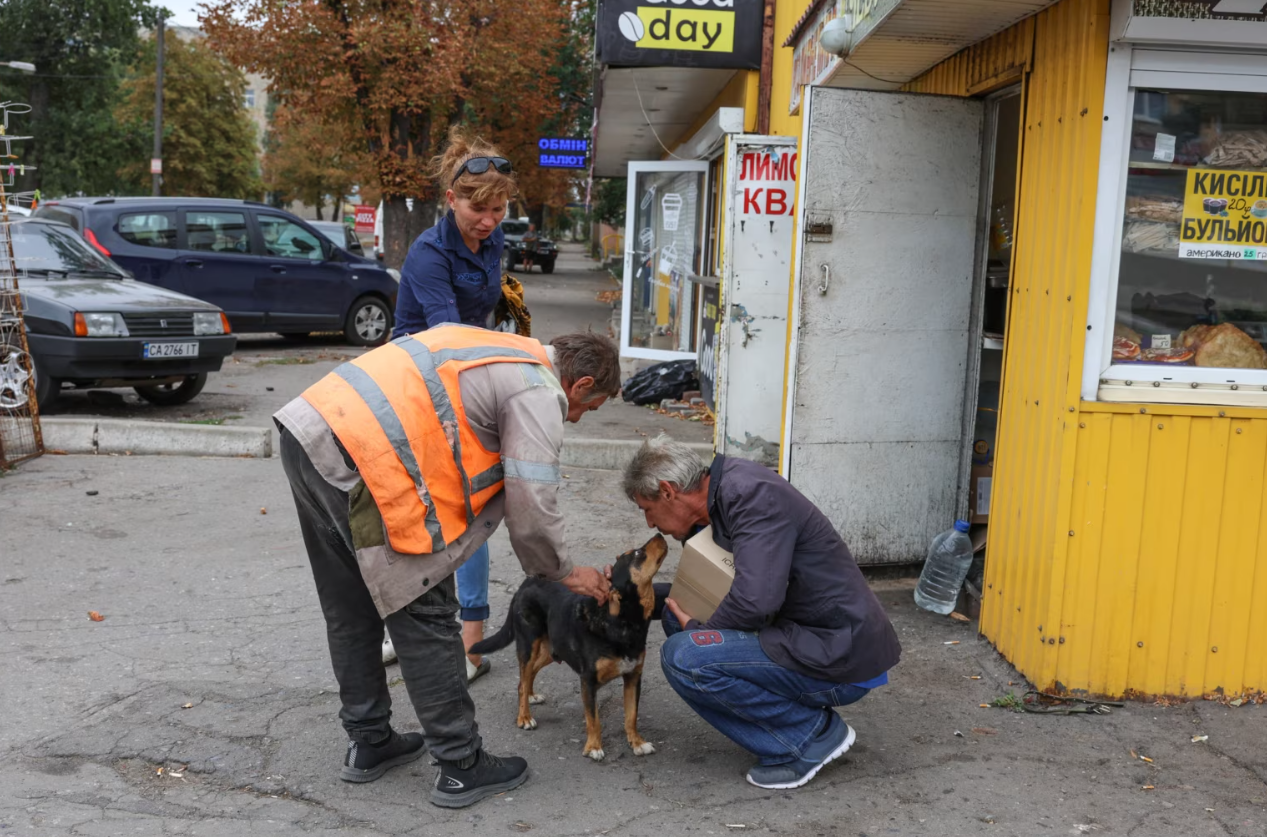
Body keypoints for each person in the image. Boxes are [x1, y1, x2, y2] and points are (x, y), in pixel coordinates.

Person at [275, 326, 619, 808]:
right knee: (426, 611)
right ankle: (461, 765)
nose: (578, 418)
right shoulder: (538, 388)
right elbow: (532, 500)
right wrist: (563, 572)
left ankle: (370, 742)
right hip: (369, 463)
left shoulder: (490, 345)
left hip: (310, 431)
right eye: (589, 407)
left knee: (351, 608)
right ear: (580, 384)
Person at [621, 436, 902, 790]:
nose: (649, 524)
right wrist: (628, 595)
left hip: (841, 652)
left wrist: (699, 633)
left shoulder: (750, 496)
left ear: (667, 491)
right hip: (806, 633)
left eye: (646, 509)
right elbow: (732, 594)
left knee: (685, 655)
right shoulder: (723, 493)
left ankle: (806, 737)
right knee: (679, 619)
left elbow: (755, 602)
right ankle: (794, 721)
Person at [390, 128, 518, 682]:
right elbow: (445, 337)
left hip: (467, 379)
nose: (488, 220)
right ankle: (406, 627)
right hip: (416, 384)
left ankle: (470, 642)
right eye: (477, 208)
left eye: (497, 208)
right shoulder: (427, 253)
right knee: (415, 513)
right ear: (451, 199)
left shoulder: (491, 242)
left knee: (468, 512)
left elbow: (481, 318)